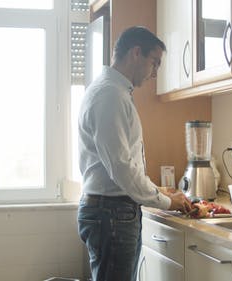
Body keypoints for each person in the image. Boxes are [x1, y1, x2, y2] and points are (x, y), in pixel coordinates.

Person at [77, 26, 192, 281]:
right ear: (136, 53)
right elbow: (121, 168)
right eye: (155, 62)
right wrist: (166, 202)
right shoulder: (110, 95)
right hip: (113, 214)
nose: (155, 72)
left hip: (110, 211)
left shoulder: (112, 91)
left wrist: (158, 191)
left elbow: (122, 165)